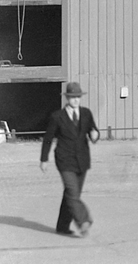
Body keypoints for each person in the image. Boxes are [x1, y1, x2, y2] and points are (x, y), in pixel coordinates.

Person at [40, 82, 99, 237]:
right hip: (64, 160)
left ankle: (62, 226)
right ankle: (84, 221)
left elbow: (93, 130)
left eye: (78, 97)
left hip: (82, 161)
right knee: (73, 192)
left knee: (71, 195)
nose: (75, 100)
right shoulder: (57, 116)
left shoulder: (86, 113)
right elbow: (48, 139)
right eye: (72, 97)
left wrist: (95, 135)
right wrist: (43, 159)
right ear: (67, 98)